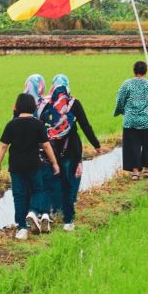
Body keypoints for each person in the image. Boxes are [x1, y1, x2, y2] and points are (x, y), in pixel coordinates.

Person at [40, 74, 103, 231]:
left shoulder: (48, 104)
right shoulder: (73, 103)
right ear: (67, 87)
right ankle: (68, 221)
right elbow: (85, 126)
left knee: (55, 180)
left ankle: (54, 211)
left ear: (53, 87)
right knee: (67, 183)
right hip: (71, 149)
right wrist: (96, 144)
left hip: (52, 150)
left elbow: (41, 128)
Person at [0, 93, 60, 240]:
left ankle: (22, 228)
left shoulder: (11, 124)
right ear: (33, 106)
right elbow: (46, 145)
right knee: (38, 190)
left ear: (17, 107)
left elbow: (4, 146)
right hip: (33, 165)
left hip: (16, 166)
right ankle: (32, 212)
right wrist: (55, 163)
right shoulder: (38, 124)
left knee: (19, 195)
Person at [114, 60, 148, 181]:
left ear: (134, 71)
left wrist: (122, 111)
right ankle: (147, 170)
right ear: (145, 71)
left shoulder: (127, 84)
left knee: (132, 146)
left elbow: (119, 100)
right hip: (146, 120)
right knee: (147, 143)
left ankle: (135, 172)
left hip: (130, 121)